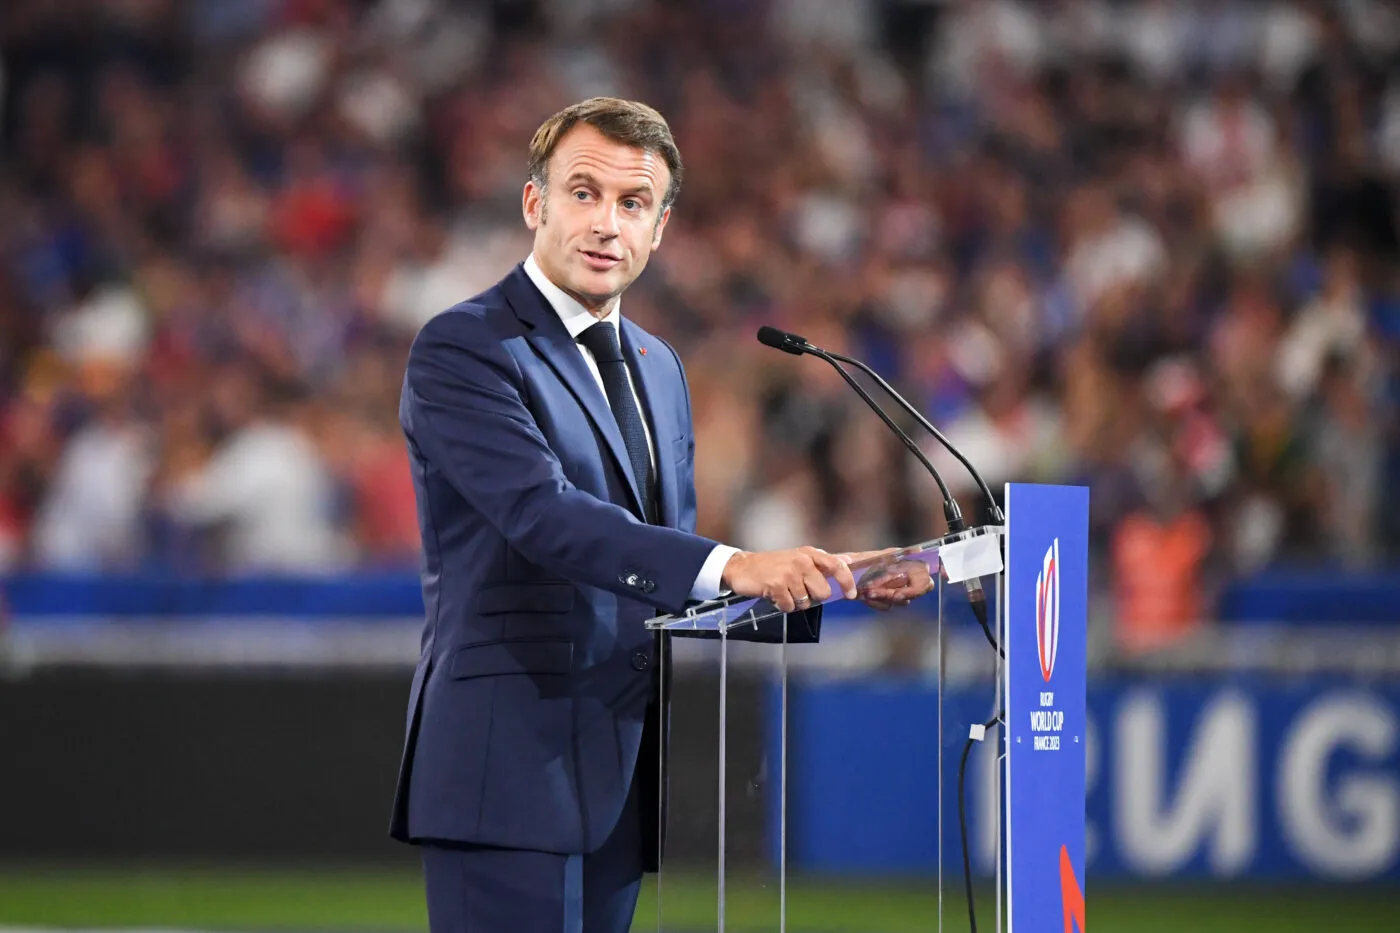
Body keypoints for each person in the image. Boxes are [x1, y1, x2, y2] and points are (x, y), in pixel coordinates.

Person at [390, 97, 931, 933]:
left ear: (661, 226)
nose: (607, 223)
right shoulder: (465, 347)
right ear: (535, 204)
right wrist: (734, 561)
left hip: (619, 776)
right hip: (507, 776)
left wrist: (837, 578)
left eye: (633, 203)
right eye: (583, 193)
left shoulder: (658, 367)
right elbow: (544, 515)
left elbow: (659, 575)